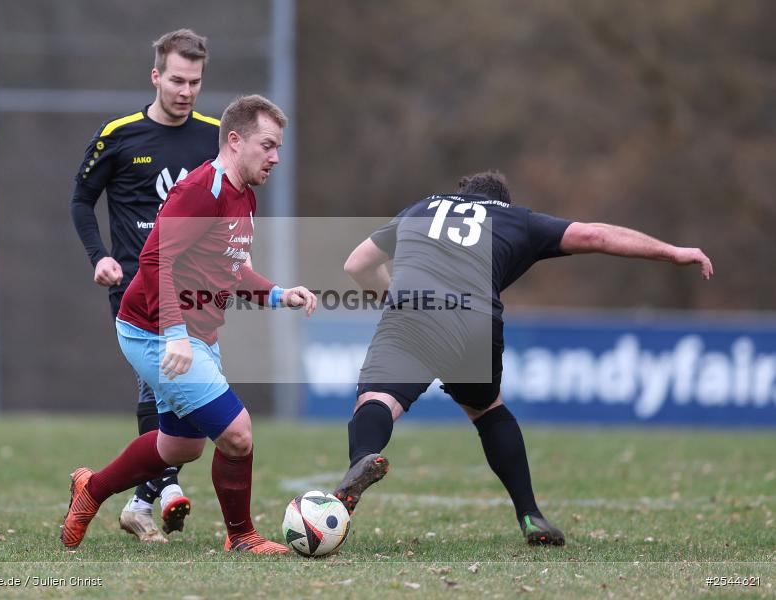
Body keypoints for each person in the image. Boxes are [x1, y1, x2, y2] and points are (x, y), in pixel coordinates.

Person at [333, 170, 713, 546]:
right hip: (476, 324)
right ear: (501, 201)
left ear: (461, 193)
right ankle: (530, 514)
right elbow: (597, 235)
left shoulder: (420, 209)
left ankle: (365, 457)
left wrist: (392, 297)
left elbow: (357, 264)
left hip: (413, 312)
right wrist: (673, 252)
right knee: (486, 409)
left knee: (378, 399)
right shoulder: (518, 220)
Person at [61, 94, 318, 554]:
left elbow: (232, 267)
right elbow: (156, 258)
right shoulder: (202, 189)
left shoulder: (245, 196)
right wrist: (175, 334)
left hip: (191, 332)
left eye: (279, 147)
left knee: (180, 447)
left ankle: (92, 489)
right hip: (153, 329)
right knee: (237, 434)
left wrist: (279, 294)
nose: (276, 157)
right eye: (268, 145)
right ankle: (242, 536)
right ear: (235, 141)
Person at [70, 29, 220, 543]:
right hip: (137, 286)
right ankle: (159, 493)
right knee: (162, 384)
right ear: (156, 76)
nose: (185, 91)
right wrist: (100, 256)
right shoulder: (119, 135)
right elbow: (80, 201)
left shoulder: (217, 138)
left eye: (194, 82)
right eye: (176, 80)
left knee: (179, 392)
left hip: (198, 291)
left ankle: (139, 498)